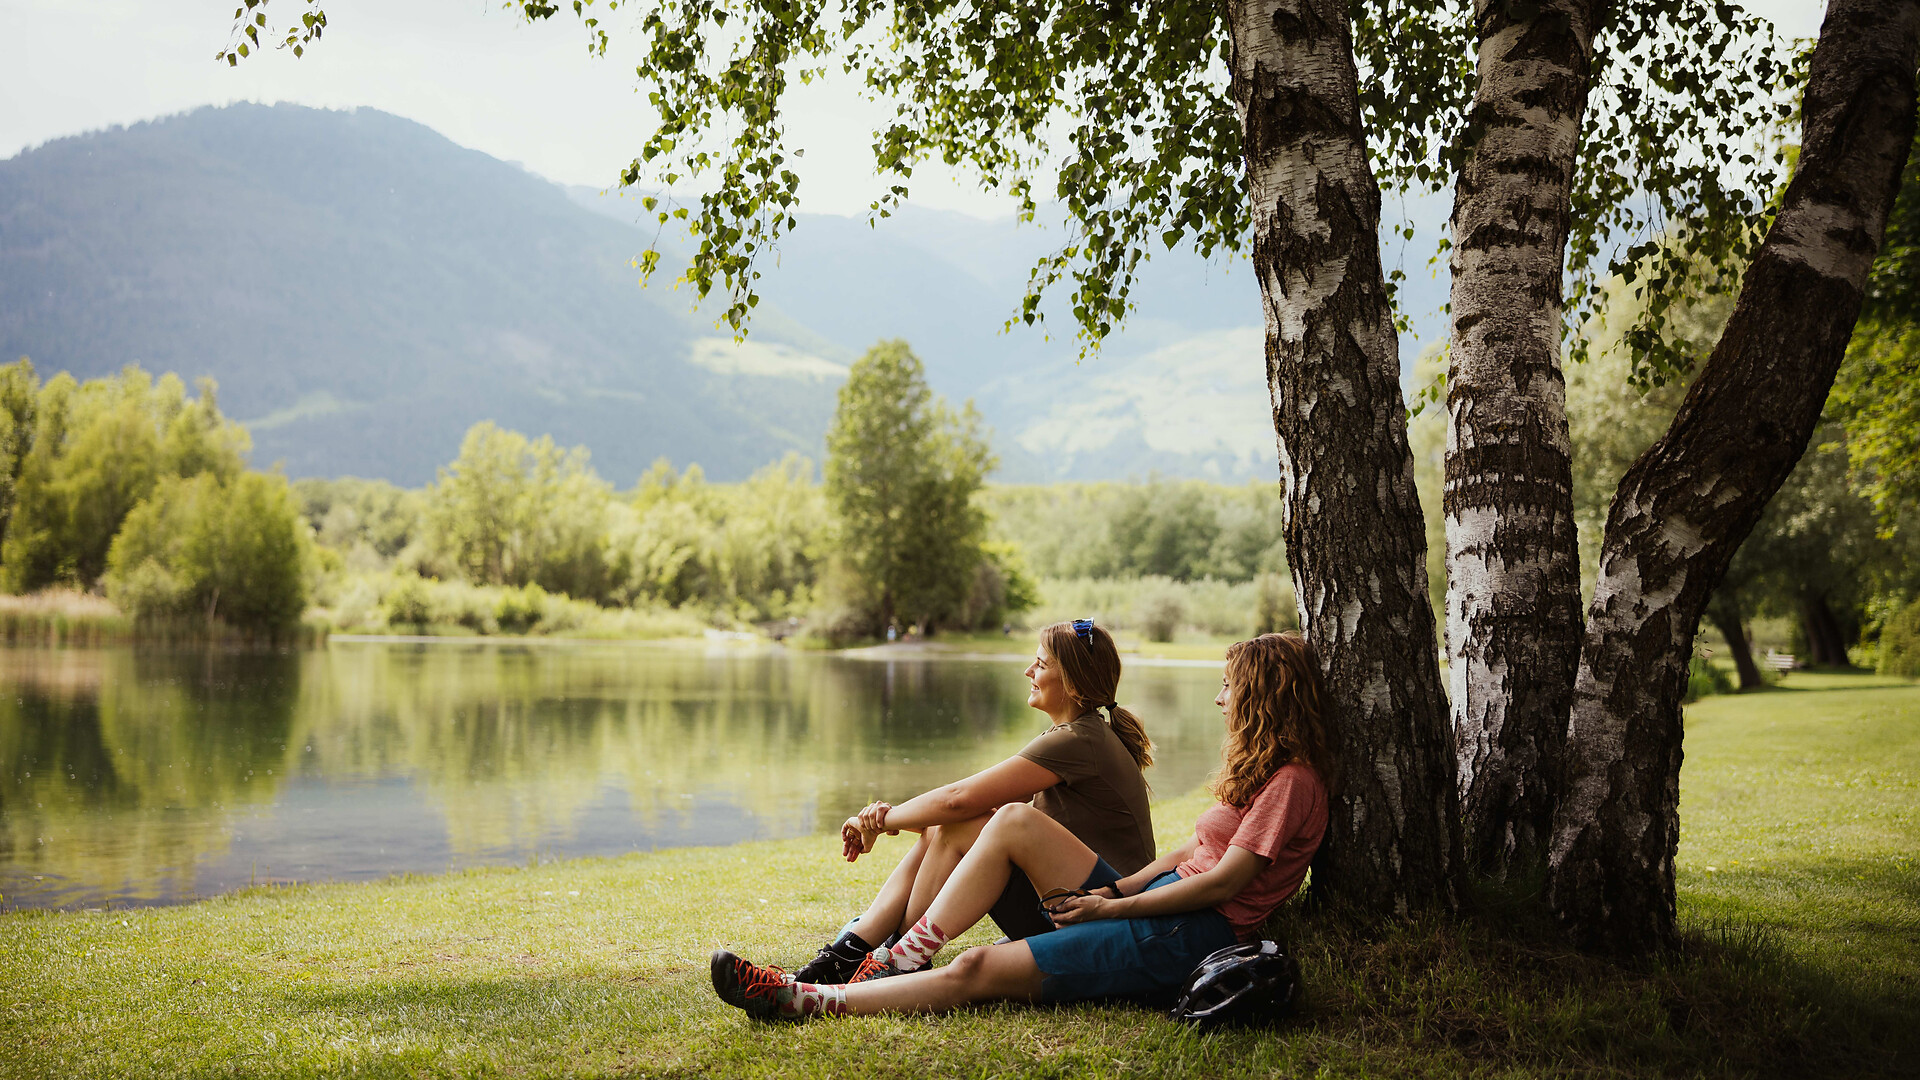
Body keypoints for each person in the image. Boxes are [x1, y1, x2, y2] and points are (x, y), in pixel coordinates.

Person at [712, 631, 1335, 1019]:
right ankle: (880, 957)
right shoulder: (1265, 773)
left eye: (1229, 688)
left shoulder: (1293, 783)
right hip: (1152, 905)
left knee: (975, 968)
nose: (1220, 700)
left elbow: (1226, 883)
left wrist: (1113, 911)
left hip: (1187, 931)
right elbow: (1194, 848)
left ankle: (810, 997)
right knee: (1003, 822)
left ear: (1260, 696)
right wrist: (1118, 890)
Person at [789, 619, 1157, 984]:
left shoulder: (1079, 739)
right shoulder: (1077, 734)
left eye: (1042, 665)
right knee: (951, 825)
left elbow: (958, 801)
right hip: (1075, 904)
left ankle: (892, 957)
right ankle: (856, 952)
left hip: (1108, 917)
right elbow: (960, 812)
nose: (1028, 671)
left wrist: (882, 821)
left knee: (969, 821)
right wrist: (887, 819)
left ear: (1074, 682)